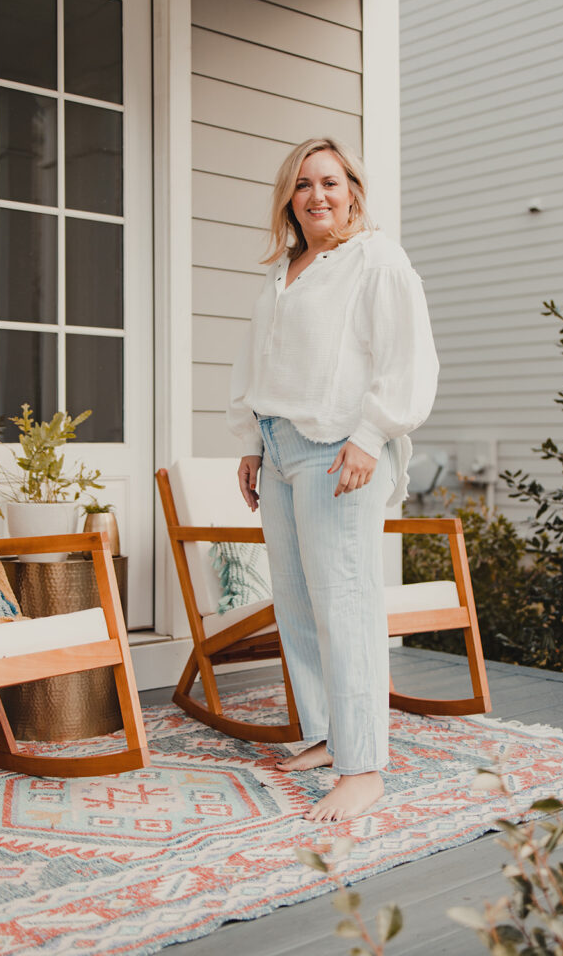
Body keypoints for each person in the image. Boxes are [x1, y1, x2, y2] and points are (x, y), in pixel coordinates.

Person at [227, 137, 438, 822]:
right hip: (280, 444)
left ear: (352, 189)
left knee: (343, 600)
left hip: (337, 449)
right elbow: (255, 364)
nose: (317, 195)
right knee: (297, 599)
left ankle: (363, 765)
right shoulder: (285, 270)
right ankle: (326, 732)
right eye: (302, 185)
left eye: (330, 182)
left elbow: (406, 355)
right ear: (288, 199)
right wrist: (251, 444)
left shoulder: (375, 258)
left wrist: (370, 436)